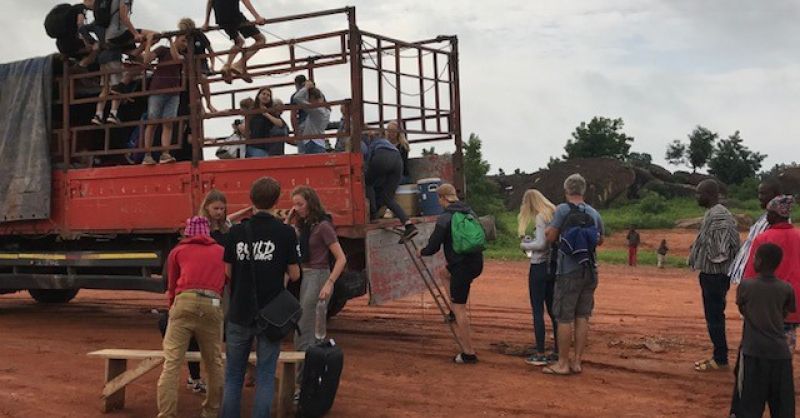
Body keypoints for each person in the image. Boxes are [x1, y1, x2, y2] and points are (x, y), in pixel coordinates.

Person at [221, 177, 301, 418]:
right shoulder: (285, 233)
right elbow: (295, 274)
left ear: (251, 199)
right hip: (271, 315)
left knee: (233, 376)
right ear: (277, 201)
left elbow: (227, 272)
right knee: (265, 375)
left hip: (239, 311)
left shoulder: (236, 232)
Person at [157, 216, 226, 418]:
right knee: (214, 363)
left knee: (171, 363)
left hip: (184, 300)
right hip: (212, 303)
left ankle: (167, 414)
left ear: (188, 232)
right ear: (207, 233)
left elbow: (171, 287)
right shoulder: (221, 251)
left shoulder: (177, 251)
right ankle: (210, 412)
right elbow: (227, 281)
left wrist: (172, 309)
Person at [543, 173, 604, 376]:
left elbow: (551, 236)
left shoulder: (562, 210)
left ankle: (562, 363)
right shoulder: (594, 213)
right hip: (590, 269)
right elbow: (600, 239)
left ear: (567, 190)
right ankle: (577, 361)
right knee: (582, 316)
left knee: (564, 317)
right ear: (583, 190)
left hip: (568, 270)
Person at [286, 186, 347, 389]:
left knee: (305, 331)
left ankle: (302, 385)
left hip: (318, 276)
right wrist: (289, 219)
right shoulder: (306, 226)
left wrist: (329, 283)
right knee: (307, 331)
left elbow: (341, 258)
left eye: (300, 204)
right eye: (294, 204)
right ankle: (306, 383)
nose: (297, 209)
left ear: (311, 204)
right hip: (308, 276)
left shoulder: (322, 226)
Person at [419, 184, 483, 364]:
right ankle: (453, 309)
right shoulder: (470, 212)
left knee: (460, 307)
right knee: (443, 273)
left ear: (442, 198)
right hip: (476, 263)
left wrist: (421, 252)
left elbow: (433, 246)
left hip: (461, 267)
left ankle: (468, 353)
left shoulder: (445, 217)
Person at [731, 243, 796, 418]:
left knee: (748, 407)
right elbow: (788, 310)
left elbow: (743, 309)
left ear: (759, 261)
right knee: (783, 409)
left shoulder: (745, 286)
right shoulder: (786, 288)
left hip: (753, 352)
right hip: (780, 354)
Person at [689, 179, 741, 372]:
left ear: (710, 194)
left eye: (698, 193)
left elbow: (719, 252)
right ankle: (718, 355)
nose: (696, 197)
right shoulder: (714, 213)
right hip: (714, 274)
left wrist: (703, 254)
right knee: (714, 316)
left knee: (715, 318)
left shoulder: (718, 216)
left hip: (715, 275)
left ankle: (720, 358)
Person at [743, 195, 800, 352]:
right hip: (793, 302)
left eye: (768, 213)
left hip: (767, 304)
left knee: (763, 348)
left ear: (774, 215)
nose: (766, 217)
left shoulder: (763, 238)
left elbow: (751, 274)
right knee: (786, 347)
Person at [518, 189, 558, 366]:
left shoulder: (540, 217)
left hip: (539, 266)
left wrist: (525, 244)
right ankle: (558, 349)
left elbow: (541, 244)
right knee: (553, 310)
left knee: (537, 310)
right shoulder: (553, 214)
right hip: (553, 267)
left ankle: (540, 352)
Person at [364, 129, 418, 241]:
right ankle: (409, 225)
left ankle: (373, 215)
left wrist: (365, 173)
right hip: (397, 161)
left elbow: (369, 163)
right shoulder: (387, 142)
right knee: (388, 197)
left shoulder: (373, 143)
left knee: (367, 183)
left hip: (382, 157)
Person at [142, 34, 187, 165]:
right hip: (158, 90)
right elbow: (146, 60)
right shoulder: (162, 49)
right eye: (183, 40)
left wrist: (169, 40)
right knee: (152, 122)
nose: (184, 44)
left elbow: (176, 59)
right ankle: (148, 154)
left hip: (173, 93)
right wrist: (150, 41)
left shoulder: (184, 55)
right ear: (177, 39)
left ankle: (165, 154)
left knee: (168, 123)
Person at [729, 178, 783, 285]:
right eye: (759, 193)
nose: (760, 197)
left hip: (760, 281)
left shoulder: (778, 221)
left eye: (763, 194)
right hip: (748, 277)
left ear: (776, 196)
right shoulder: (764, 218)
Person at [203, 0, 267, 84]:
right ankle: (239, 65)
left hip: (221, 18)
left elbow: (210, 2)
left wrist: (206, 22)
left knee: (239, 42)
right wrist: (257, 17)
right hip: (234, 15)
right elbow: (245, 1)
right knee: (261, 39)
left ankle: (227, 66)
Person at [157, 310, 206, 394]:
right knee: (193, 344)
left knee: (175, 354)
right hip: (177, 320)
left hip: (173, 319)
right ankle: (194, 379)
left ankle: (193, 378)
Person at [178, 18, 216, 113]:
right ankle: (202, 106)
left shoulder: (199, 34)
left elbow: (210, 51)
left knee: (203, 79)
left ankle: (208, 104)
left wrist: (212, 65)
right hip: (187, 63)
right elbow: (177, 50)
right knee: (191, 83)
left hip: (201, 61)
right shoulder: (180, 37)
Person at [247, 87, 288, 157]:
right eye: (263, 94)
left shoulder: (270, 111)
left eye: (268, 95)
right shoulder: (252, 110)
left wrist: (266, 114)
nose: (265, 96)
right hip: (252, 146)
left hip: (265, 147)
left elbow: (281, 124)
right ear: (258, 95)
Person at [292, 83, 331, 154]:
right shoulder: (326, 111)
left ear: (312, 98)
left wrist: (306, 87)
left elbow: (297, 98)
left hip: (312, 143)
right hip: (320, 143)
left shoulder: (316, 110)